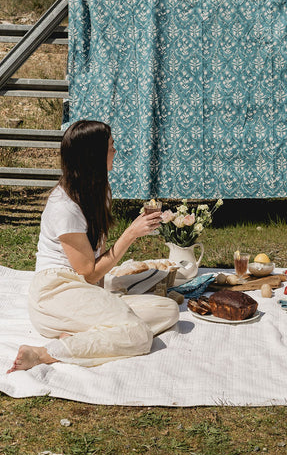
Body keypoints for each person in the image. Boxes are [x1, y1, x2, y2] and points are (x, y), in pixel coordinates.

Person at [8, 120, 179, 373]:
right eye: (111, 147)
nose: (115, 152)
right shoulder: (63, 207)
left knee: (168, 310)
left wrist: (101, 301)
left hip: (80, 291)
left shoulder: (100, 191)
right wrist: (130, 234)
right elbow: (89, 272)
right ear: (94, 156)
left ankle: (80, 337)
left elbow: (93, 277)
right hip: (55, 294)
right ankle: (45, 353)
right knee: (139, 334)